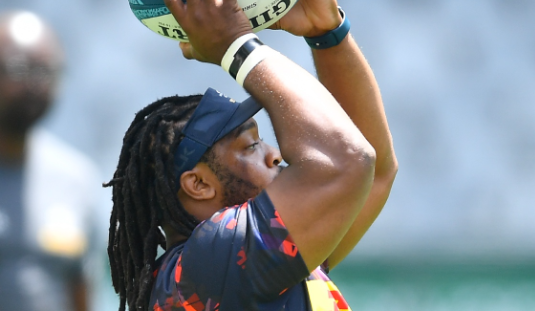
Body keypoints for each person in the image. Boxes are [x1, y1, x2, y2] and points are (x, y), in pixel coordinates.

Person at [106, 0, 398, 310]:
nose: (275, 155)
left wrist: (328, 35)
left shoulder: (243, 264)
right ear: (199, 184)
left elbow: (373, 169)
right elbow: (348, 161)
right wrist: (234, 45)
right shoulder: (210, 264)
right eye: (251, 146)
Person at [0, 10, 101, 311]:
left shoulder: (75, 178)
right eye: (19, 69)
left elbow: (81, 289)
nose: (33, 84)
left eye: (46, 72)